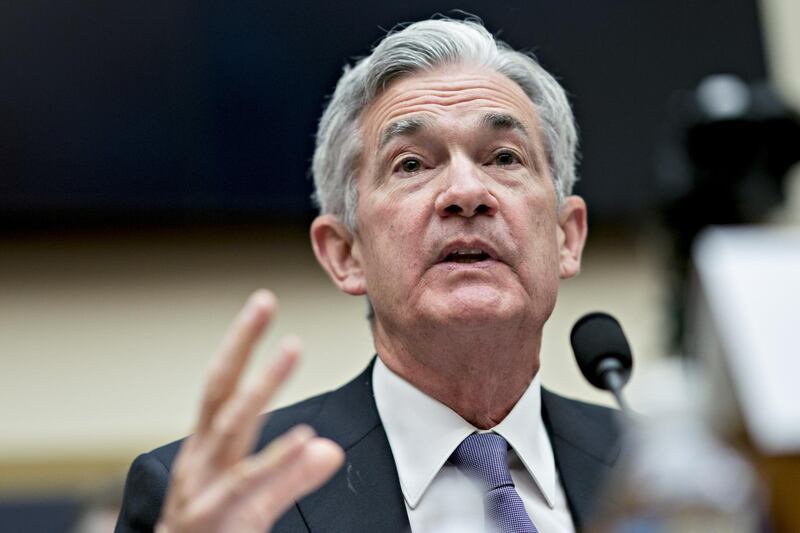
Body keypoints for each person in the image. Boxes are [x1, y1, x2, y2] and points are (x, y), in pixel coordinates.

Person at [115, 17, 622, 533]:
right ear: (345, 253)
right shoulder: (225, 503)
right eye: (410, 165)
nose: (466, 192)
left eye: (504, 157)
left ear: (567, 237)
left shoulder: (664, 477)